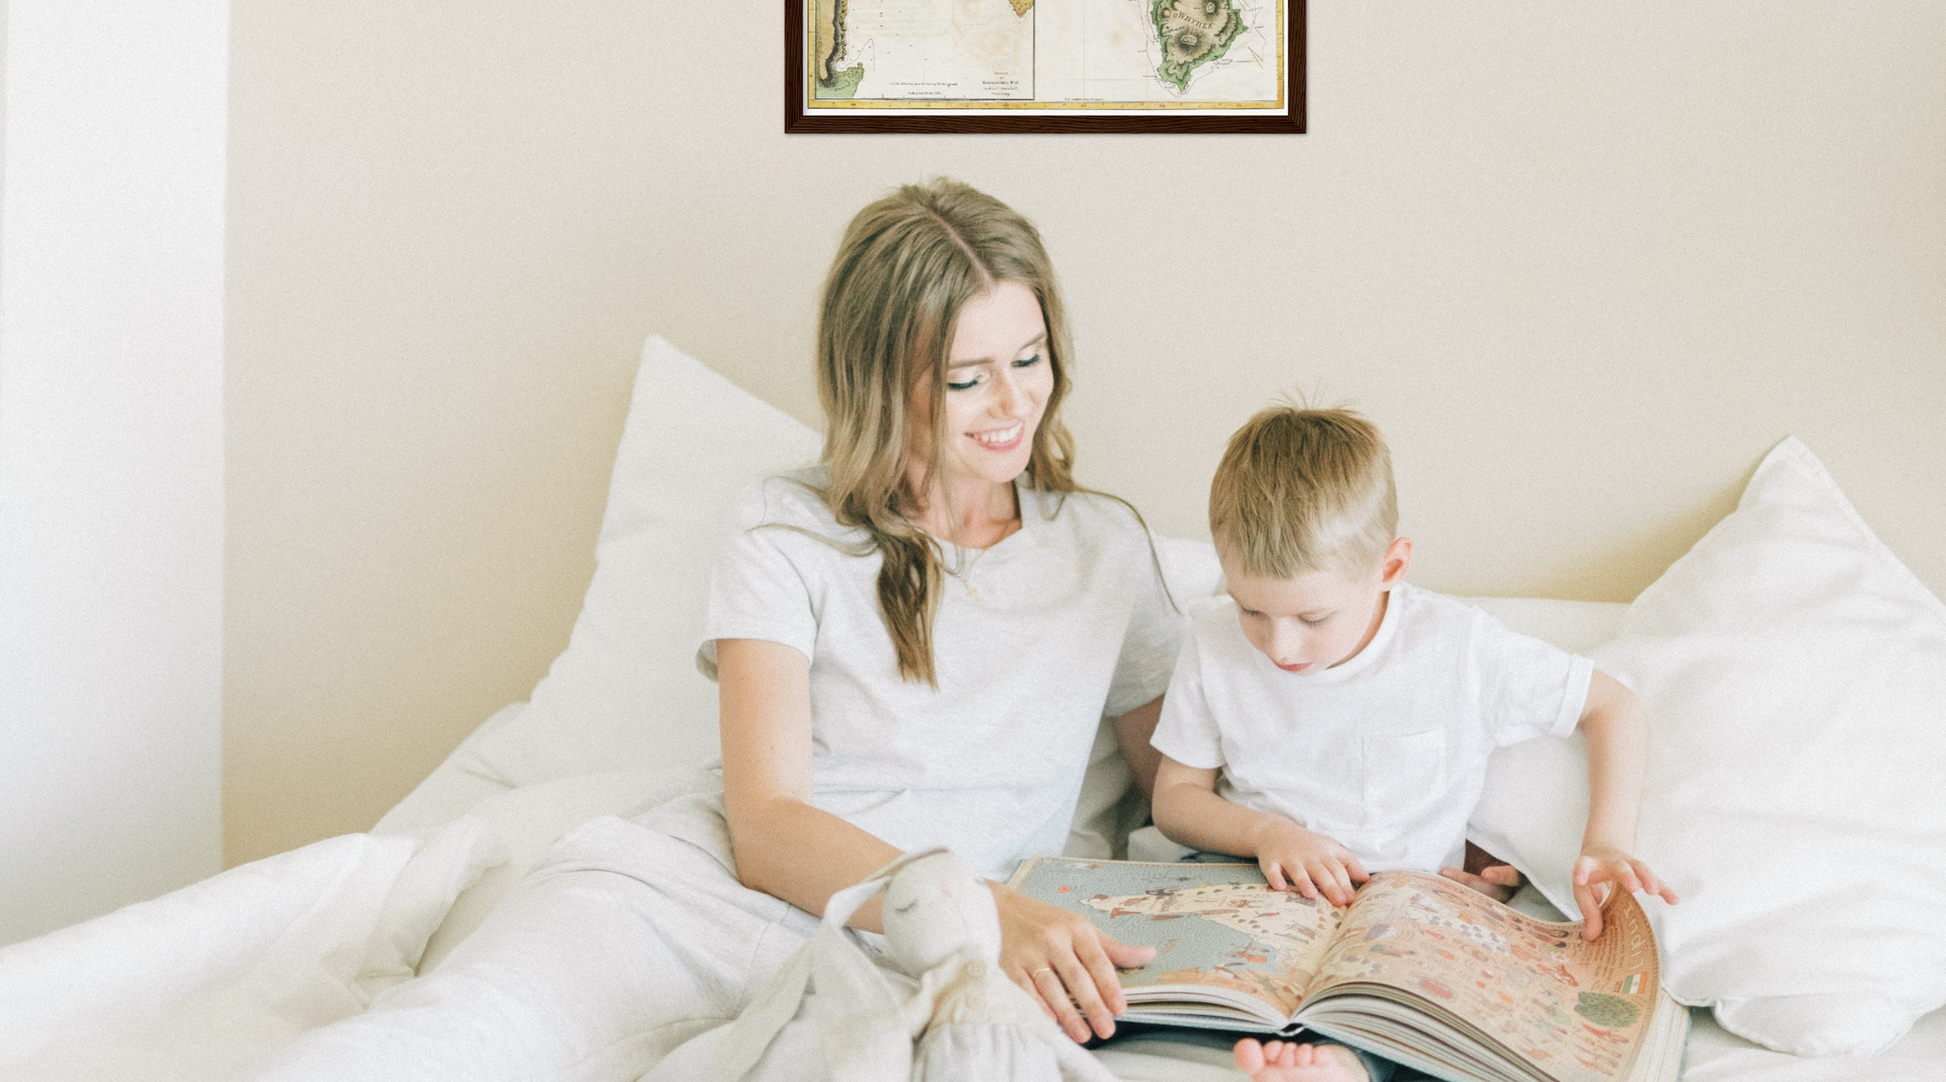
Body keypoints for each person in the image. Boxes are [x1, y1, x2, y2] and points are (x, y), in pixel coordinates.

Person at [249, 179, 1182, 1080]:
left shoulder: (1105, 552)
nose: (1015, 402)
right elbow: (766, 827)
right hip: (691, 907)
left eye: (1030, 359)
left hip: (924, 960)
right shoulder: (785, 527)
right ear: (879, 385)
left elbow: (1179, 788)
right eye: (966, 379)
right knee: (436, 1043)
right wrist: (982, 907)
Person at [1148, 406, 1678, 1080]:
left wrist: (1605, 843)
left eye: (1313, 617)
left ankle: (1342, 1063)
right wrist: (1267, 834)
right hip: (1250, 883)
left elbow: (1612, 706)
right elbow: (1175, 798)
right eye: (1251, 609)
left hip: (1396, 914)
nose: (1279, 645)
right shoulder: (1213, 640)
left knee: (1408, 999)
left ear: (1390, 566)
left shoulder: (1457, 648)